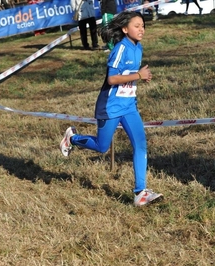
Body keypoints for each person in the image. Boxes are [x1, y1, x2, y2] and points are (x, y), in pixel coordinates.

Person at [60, 11, 163, 207]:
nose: (141, 29)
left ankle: (140, 192)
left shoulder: (138, 47)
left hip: (129, 107)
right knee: (102, 147)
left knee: (140, 144)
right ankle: (72, 138)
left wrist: (141, 76)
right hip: (110, 107)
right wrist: (138, 76)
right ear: (125, 29)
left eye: (143, 25)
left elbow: (130, 76)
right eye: (137, 26)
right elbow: (112, 79)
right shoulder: (120, 49)